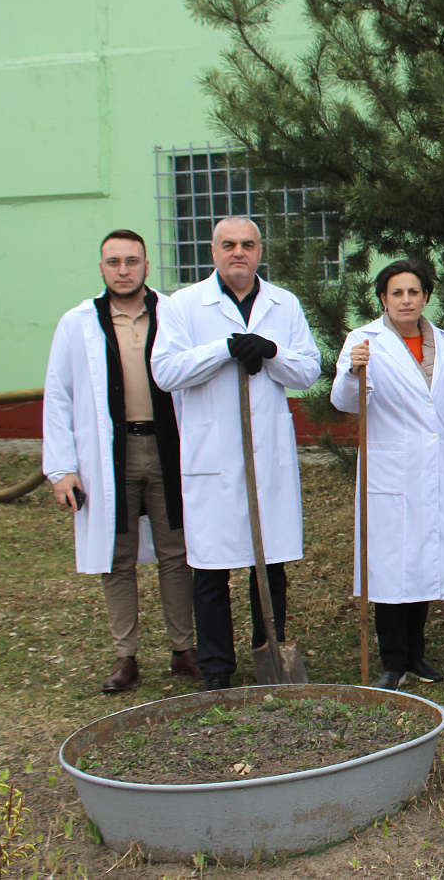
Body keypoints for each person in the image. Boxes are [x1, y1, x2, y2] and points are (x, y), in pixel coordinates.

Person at [150, 216, 322, 691]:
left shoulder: (284, 304)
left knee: (269, 563)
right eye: (229, 245)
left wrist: (269, 350)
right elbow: (165, 371)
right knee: (211, 567)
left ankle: (270, 649)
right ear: (214, 251)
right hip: (214, 455)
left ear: (260, 251)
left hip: (267, 455)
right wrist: (225, 349)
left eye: (247, 244)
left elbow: (308, 370)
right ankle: (217, 668)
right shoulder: (185, 305)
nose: (238, 253)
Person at [42, 229, 197, 693]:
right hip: (111, 454)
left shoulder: (173, 313)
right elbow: (58, 395)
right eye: (114, 262)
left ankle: (183, 649)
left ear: (147, 266)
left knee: (177, 551)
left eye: (132, 261)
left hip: (169, 448)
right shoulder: (78, 323)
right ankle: (125, 656)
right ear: (102, 268)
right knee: (117, 555)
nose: (124, 270)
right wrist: (62, 469)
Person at [332, 259, 444, 691]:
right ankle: (393, 659)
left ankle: (416, 653)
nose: (406, 300)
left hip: (435, 469)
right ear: (383, 299)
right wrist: (355, 372)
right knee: (391, 568)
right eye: (396, 293)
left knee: (425, 563)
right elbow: (345, 402)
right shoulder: (364, 341)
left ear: (426, 297)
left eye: (413, 292)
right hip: (390, 471)